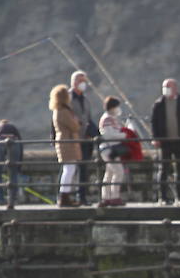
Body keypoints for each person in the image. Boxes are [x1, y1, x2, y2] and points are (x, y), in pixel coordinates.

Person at [150, 78, 180, 205]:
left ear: (175, 88)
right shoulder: (159, 104)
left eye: (168, 87)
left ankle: (179, 197)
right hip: (165, 142)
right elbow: (154, 122)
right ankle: (162, 198)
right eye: (164, 87)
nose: (166, 89)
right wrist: (155, 138)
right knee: (163, 169)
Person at [68, 70, 99, 203]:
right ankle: (65, 196)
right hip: (72, 139)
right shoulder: (67, 98)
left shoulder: (85, 100)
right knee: (69, 168)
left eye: (84, 81)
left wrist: (94, 132)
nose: (83, 83)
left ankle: (81, 196)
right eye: (80, 81)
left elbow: (88, 118)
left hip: (85, 139)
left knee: (83, 168)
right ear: (74, 82)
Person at [49, 85, 82, 207]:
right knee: (69, 169)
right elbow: (74, 126)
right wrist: (77, 121)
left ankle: (65, 195)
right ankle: (64, 196)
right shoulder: (64, 111)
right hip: (67, 142)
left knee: (69, 168)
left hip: (65, 141)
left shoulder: (58, 110)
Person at [97, 97, 128, 207]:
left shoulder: (111, 118)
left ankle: (106, 197)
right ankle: (114, 197)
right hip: (110, 149)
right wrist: (123, 135)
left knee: (109, 173)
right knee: (119, 172)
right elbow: (109, 135)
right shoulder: (107, 119)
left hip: (110, 149)